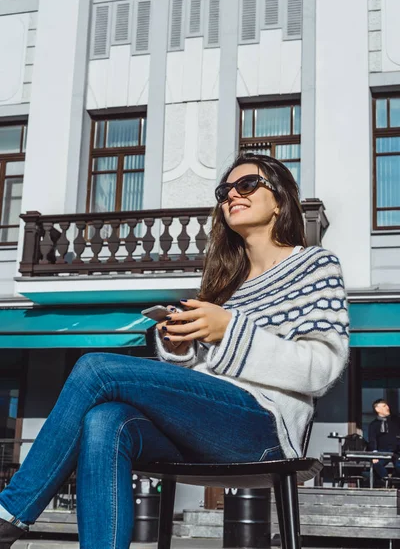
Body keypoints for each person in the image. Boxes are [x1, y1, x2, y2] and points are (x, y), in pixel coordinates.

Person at [0, 153, 349, 549]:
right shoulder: (227, 286)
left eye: (247, 185)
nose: (232, 194)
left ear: (280, 201)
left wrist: (229, 330)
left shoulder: (315, 265)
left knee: (96, 369)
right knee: (104, 420)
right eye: (225, 190)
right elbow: (209, 372)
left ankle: (9, 516)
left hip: (266, 430)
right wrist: (180, 346)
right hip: (209, 427)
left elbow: (321, 368)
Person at [368, 398, 400, 483]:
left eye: (387, 405)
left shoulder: (396, 421)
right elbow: (372, 439)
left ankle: (395, 481)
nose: (387, 407)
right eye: (384, 406)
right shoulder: (374, 424)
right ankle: (387, 481)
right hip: (382, 451)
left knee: (399, 466)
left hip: (397, 451)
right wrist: (374, 454)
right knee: (376, 464)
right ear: (377, 409)